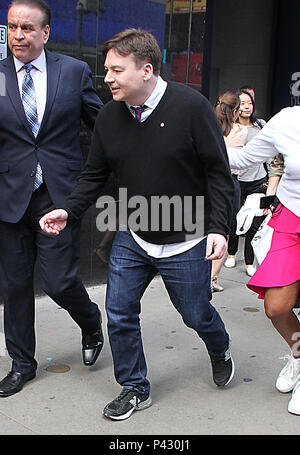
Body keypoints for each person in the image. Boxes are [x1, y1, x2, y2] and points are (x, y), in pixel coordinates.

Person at [40, 28, 235, 421]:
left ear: (146, 69)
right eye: (107, 70)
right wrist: (69, 210)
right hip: (133, 232)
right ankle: (134, 387)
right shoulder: (110, 116)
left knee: (196, 313)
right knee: (120, 311)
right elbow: (94, 175)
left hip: (186, 235)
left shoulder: (191, 107)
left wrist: (219, 228)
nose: (106, 78)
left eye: (115, 70)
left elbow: (219, 173)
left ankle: (219, 346)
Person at [0, 0, 104, 398]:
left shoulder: (72, 72)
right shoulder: (2, 75)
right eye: (12, 27)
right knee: (14, 287)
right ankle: (22, 364)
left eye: (27, 28)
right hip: (10, 197)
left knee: (60, 282)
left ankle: (90, 320)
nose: (18, 35)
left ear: (46, 32)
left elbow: (102, 125)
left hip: (58, 196)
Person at [227, 105, 300, 415]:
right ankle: (299, 356)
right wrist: (197, 141)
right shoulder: (287, 120)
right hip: (291, 222)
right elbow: (243, 160)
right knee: (277, 307)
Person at [224, 90, 267, 276]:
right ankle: (231, 254)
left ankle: (250, 262)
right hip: (237, 180)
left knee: (253, 222)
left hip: (257, 180)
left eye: (249, 102)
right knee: (235, 220)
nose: (247, 106)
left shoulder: (261, 126)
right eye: (242, 103)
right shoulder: (230, 129)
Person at [211, 91, 248, 292]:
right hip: (228, 183)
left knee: (205, 230)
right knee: (222, 231)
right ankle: (213, 278)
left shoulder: (208, 126)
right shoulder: (240, 131)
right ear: (235, 111)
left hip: (206, 183)